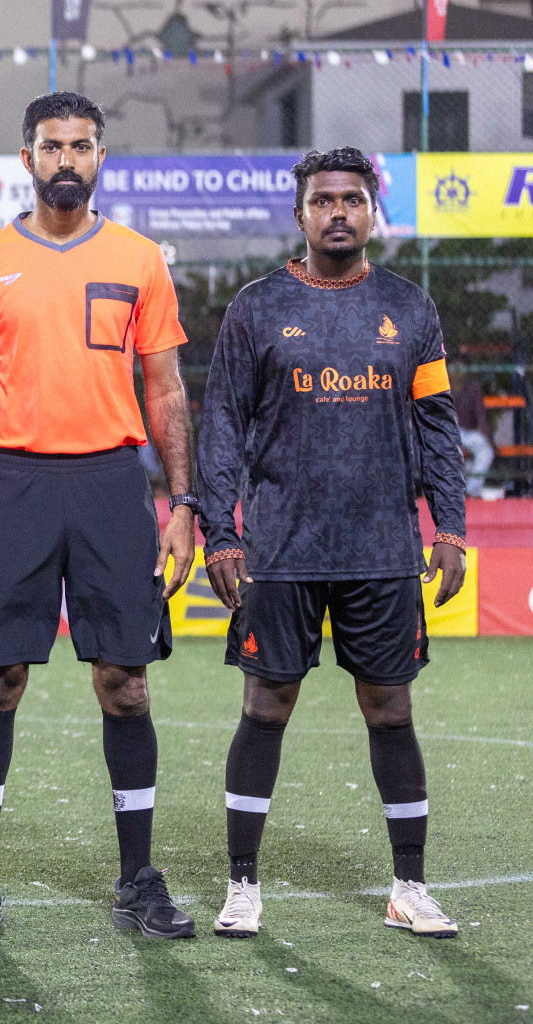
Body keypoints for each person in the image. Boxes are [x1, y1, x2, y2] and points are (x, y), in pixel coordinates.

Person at [0, 91, 198, 940]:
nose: (67, 159)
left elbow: (165, 387)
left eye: (82, 146)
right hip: (13, 484)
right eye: (53, 146)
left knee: (125, 682)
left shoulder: (140, 258)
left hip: (116, 485)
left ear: (101, 158)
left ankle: (138, 878)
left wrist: (182, 503)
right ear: (27, 159)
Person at [199, 147, 467, 940]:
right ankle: (242, 884)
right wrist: (221, 531)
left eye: (353, 198)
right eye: (324, 200)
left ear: (373, 209)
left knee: (391, 710)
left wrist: (448, 525)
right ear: (301, 214)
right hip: (280, 549)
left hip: (383, 548)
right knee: (266, 706)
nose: (338, 212)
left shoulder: (411, 309)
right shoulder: (256, 307)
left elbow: (437, 427)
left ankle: (410, 886)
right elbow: (221, 428)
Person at [451, 374, 495, 498]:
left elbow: (481, 416)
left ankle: (471, 491)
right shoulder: (441, 385)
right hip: (447, 431)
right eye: (454, 366)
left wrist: (490, 440)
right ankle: (449, 493)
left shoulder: (473, 388)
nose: (458, 370)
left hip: (468, 433)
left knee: (486, 451)